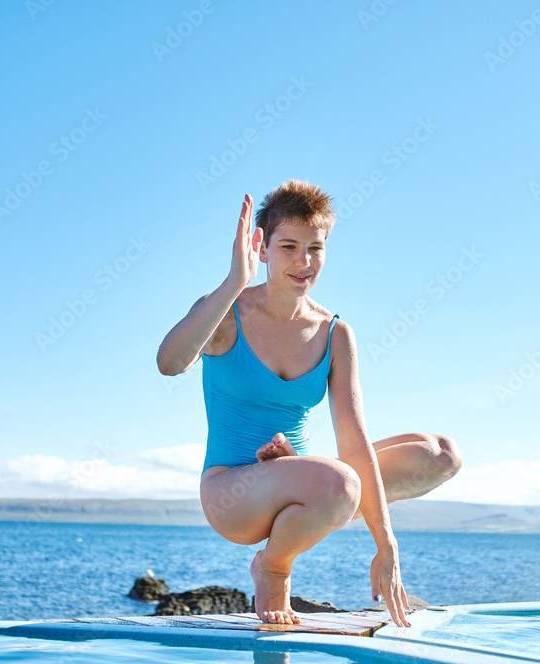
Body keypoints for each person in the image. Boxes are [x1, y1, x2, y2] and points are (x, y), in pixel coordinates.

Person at [157, 179, 462, 627]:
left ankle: (310, 493)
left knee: (439, 454)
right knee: (339, 483)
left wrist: (386, 544)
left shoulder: (335, 333)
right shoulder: (226, 311)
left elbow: (353, 436)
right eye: (288, 247)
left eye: (315, 248)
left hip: (302, 478)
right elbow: (169, 363)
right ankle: (273, 566)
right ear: (261, 248)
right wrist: (232, 283)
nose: (304, 262)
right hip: (231, 494)